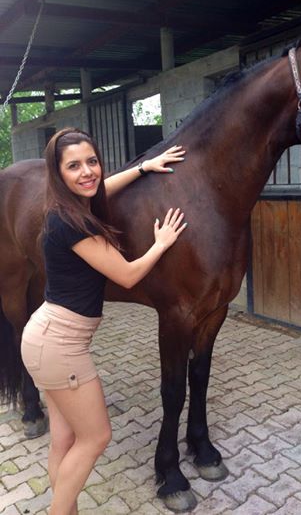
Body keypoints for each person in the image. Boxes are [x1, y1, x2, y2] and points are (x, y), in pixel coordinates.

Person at [20, 127, 187, 515]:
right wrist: (161, 244)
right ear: (57, 173)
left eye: (91, 161)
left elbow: (101, 187)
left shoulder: (65, 209)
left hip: (43, 340)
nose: (87, 172)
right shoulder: (74, 224)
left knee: (64, 439)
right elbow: (127, 275)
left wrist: (144, 167)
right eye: (73, 166)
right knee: (96, 437)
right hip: (60, 347)